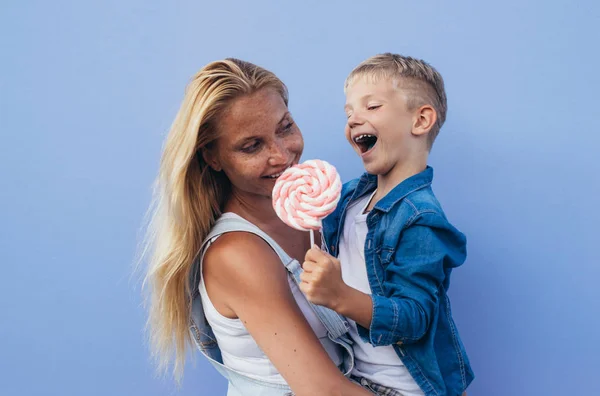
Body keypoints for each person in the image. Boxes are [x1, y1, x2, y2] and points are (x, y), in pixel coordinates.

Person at [142, 58, 370, 396]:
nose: (282, 155)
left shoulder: (323, 218)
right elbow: (324, 390)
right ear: (213, 157)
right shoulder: (237, 254)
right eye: (252, 146)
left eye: (285, 127)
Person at [301, 53, 474, 396]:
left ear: (421, 120)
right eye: (349, 112)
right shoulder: (349, 197)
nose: (353, 120)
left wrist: (341, 296)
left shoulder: (421, 219)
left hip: (406, 387)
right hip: (354, 374)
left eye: (372, 107)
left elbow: (414, 318)